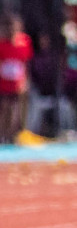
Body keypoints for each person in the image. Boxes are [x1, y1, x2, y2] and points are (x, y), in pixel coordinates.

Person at [0, 14, 32, 143]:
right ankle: (3, 135)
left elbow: (25, 63)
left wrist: (25, 81)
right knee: (4, 110)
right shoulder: (2, 45)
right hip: (3, 85)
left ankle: (14, 136)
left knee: (17, 111)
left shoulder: (24, 42)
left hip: (17, 84)